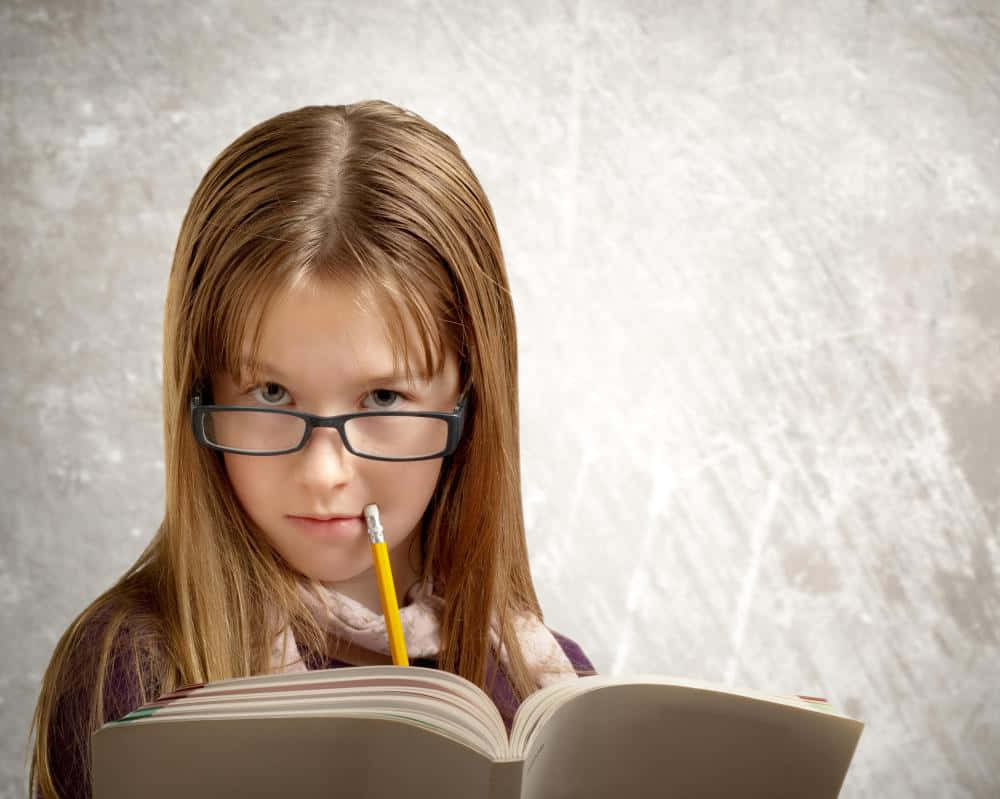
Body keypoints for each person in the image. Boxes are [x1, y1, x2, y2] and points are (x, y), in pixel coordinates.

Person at [27, 100, 596, 798]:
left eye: (384, 399)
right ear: (200, 390)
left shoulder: (554, 701)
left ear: (468, 399)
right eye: (269, 392)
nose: (324, 473)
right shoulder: (138, 674)